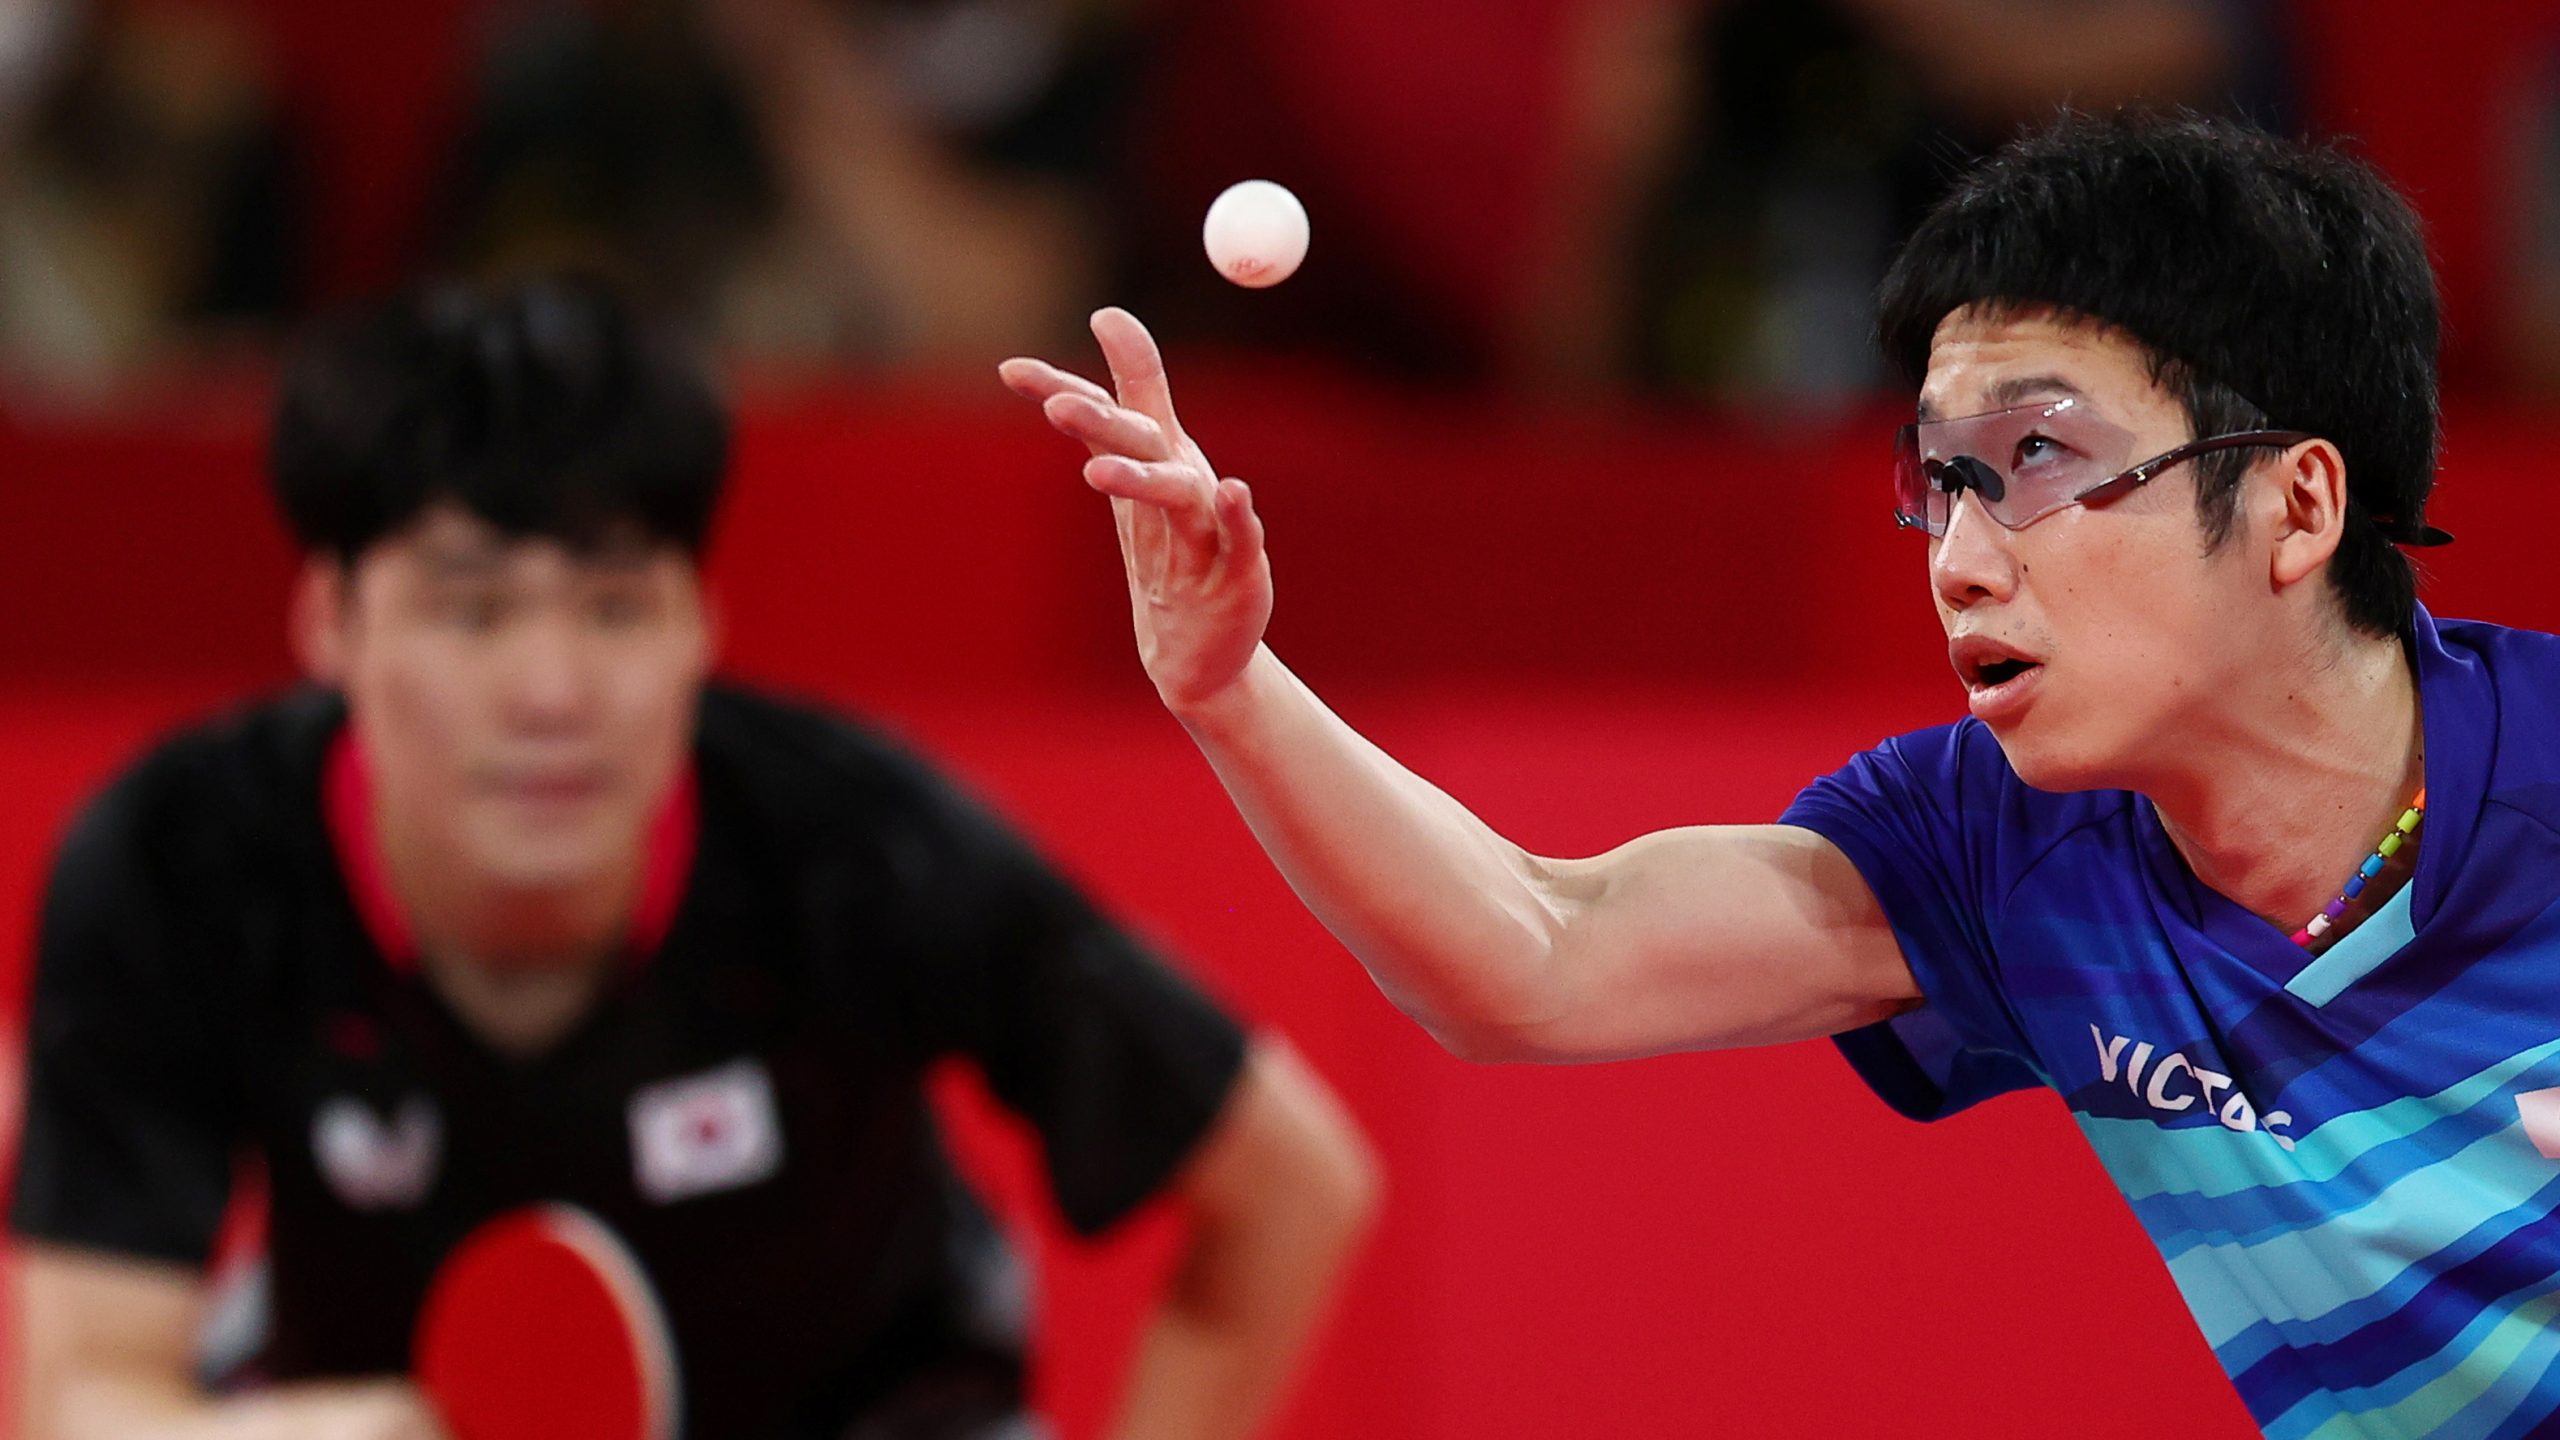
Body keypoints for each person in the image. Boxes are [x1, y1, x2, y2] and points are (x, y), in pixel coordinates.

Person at [1002, 110, 2560, 1435]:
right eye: (1943, 480)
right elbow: (1540, 956)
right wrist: (1228, 687)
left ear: (2296, 510)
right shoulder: (1995, 845)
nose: (1958, 561)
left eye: (2039, 461)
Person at [13, 275, 1378, 1440]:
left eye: (614, 606)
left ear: (700, 624)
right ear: (330, 618)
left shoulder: (854, 843)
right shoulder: (182, 860)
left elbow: (1292, 1188)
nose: (550, 690)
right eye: (470, 608)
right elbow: (87, 1397)